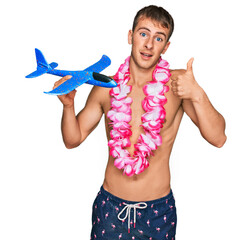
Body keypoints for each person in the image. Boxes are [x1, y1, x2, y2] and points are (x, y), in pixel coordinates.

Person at [53, 5, 226, 240]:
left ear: (166, 47)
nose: (149, 44)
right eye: (143, 33)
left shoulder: (177, 86)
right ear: (130, 36)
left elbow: (218, 138)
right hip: (110, 210)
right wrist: (68, 106)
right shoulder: (107, 88)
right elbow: (72, 140)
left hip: (158, 212)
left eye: (158, 38)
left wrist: (197, 93)